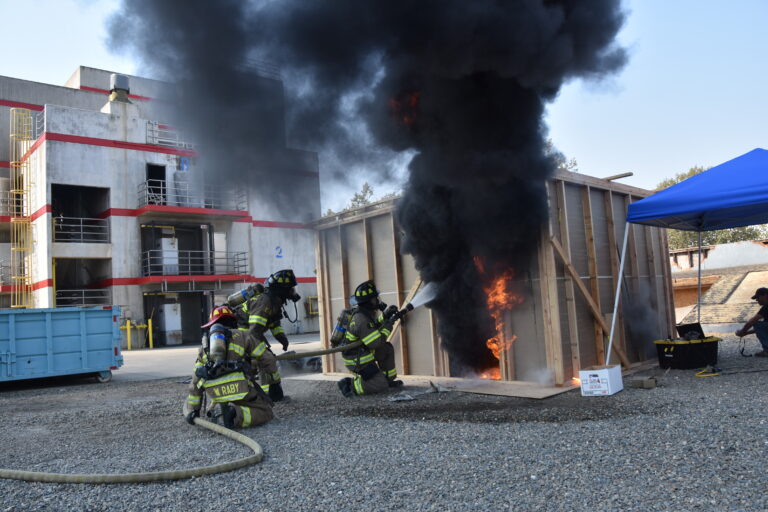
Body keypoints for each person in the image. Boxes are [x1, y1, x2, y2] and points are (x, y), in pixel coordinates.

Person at [184, 305, 273, 429]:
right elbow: (267, 359)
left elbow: (195, 379)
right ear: (232, 321)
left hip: (215, 393)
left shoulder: (205, 346)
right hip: (240, 389)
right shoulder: (243, 335)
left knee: (219, 395)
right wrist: (274, 381)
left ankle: (220, 410)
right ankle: (235, 415)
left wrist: (193, 410)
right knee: (266, 412)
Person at [337, 280, 404, 397]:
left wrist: (385, 315)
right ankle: (350, 384)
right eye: (374, 298)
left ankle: (387, 380)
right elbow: (376, 343)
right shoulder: (361, 319)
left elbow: (373, 327)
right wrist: (389, 325)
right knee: (380, 385)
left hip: (363, 352)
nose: (377, 301)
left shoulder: (364, 313)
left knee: (386, 348)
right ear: (369, 301)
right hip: (357, 360)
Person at [247, 269, 300, 402]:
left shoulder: (275, 301)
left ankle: (270, 395)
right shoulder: (265, 301)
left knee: (266, 359)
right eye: (290, 288)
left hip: (251, 334)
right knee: (265, 360)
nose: (292, 291)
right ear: (282, 289)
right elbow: (254, 330)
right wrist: (255, 351)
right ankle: (268, 396)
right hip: (244, 334)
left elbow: (274, 324)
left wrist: (282, 339)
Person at [735, 287, 768, 357]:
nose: (756, 300)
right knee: (761, 325)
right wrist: (746, 333)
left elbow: (753, 321)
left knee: (756, 323)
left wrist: (742, 331)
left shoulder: (766, 307)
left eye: (758, 297)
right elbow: (763, 329)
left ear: (765, 295)